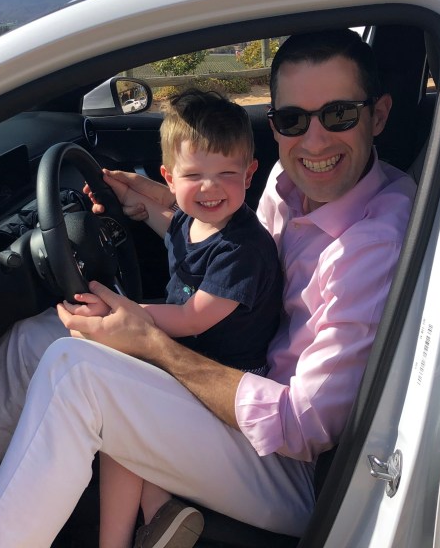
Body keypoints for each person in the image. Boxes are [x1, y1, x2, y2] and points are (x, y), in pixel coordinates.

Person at [0, 28, 416, 548]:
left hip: (298, 468)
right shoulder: (291, 183)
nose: (314, 141)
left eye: (339, 115)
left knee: (78, 373)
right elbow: (239, 255)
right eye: (292, 120)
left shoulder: (372, 245)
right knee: (42, 337)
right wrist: (165, 208)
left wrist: (154, 345)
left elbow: (302, 427)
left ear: (380, 115)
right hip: (246, 388)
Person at [72, 88, 283, 548]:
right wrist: (129, 195)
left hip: (224, 383)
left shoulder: (242, 249)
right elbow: (168, 224)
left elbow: (190, 319)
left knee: (122, 416)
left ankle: (136, 525)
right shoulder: (193, 221)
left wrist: (123, 312)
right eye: (194, 176)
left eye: (226, 174)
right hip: (187, 364)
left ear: (250, 174)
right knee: (125, 417)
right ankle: (158, 513)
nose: (210, 188)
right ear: (169, 177)